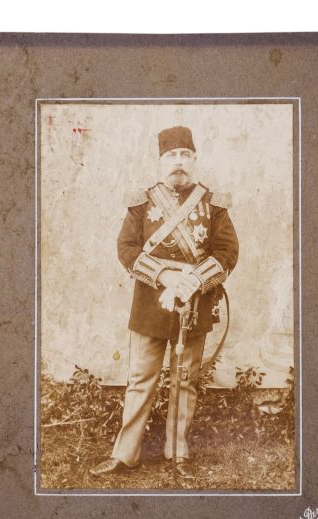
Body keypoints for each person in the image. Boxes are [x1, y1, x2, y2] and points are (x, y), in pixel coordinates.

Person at [90, 126, 239, 478]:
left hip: (194, 305)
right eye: (172, 156)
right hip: (150, 303)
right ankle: (126, 454)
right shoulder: (142, 204)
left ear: (194, 159)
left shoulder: (214, 205)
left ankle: (178, 454)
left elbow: (227, 251)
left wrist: (194, 280)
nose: (179, 162)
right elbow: (126, 248)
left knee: (184, 381)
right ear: (161, 161)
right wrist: (165, 277)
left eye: (185, 155)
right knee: (140, 378)